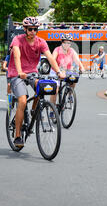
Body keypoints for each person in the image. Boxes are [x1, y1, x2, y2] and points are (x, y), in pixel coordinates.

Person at [8, 17, 65, 148]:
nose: (33, 31)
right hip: (17, 73)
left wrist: (58, 72)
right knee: (22, 100)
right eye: (30, 29)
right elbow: (16, 55)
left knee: (44, 88)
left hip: (32, 73)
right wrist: (20, 71)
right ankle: (17, 135)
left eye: (35, 29)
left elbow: (50, 57)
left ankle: (34, 112)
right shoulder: (18, 40)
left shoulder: (41, 42)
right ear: (25, 29)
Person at [49, 34, 85, 107]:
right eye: (65, 42)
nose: (66, 44)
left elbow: (77, 60)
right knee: (55, 91)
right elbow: (52, 59)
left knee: (73, 79)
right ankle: (52, 110)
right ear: (62, 43)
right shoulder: (57, 49)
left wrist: (82, 67)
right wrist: (58, 72)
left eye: (68, 43)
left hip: (66, 71)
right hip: (56, 71)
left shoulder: (72, 51)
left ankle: (70, 94)